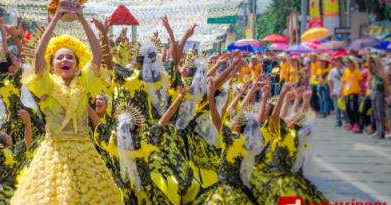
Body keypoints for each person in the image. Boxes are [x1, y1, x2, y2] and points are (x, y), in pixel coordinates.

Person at [10, 1, 121, 204]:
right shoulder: (47, 84)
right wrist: (55, 20)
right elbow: (37, 55)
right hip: (53, 153)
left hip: (84, 152)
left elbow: (97, 54)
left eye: (70, 57)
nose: (65, 59)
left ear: (78, 64)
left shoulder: (85, 81)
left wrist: (82, 18)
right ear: (52, 67)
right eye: (59, 57)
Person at [91, 85, 188, 204]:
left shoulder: (112, 144)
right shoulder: (143, 143)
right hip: (145, 193)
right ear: (140, 126)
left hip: (121, 195)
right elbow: (164, 119)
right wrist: (179, 97)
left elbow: (95, 118)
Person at [193, 77, 262, 205]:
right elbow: (238, 110)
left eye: (233, 120)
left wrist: (210, 98)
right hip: (244, 187)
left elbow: (217, 121)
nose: (231, 119)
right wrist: (251, 91)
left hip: (227, 188)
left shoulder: (231, 139)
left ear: (236, 127)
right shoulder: (250, 141)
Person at [339, 56, 363, 131]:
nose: (346, 64)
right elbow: (343, 82)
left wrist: (362, 90)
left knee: (353, 108)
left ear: (352, 63)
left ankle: (358, 124)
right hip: (347, 92)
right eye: (346, 62)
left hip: (354, 92)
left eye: (348, 62)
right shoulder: (346, 71)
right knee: (348, 109)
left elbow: (360, 82)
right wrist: (341, 92)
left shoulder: (357, 71)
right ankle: (351, 123)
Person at [328, 57, 349, 127]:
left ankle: (347, 121)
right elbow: (330, 82)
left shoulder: (346, 70)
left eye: (337, 61)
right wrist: (331, 91)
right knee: (336, 108)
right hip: (335, 91)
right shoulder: (333, 71)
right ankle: (338, 120)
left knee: (345, 108)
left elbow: (347, 81)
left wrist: (344, 91)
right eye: (335, 61)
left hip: (344, 91)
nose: (335, 62)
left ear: (340, 61)